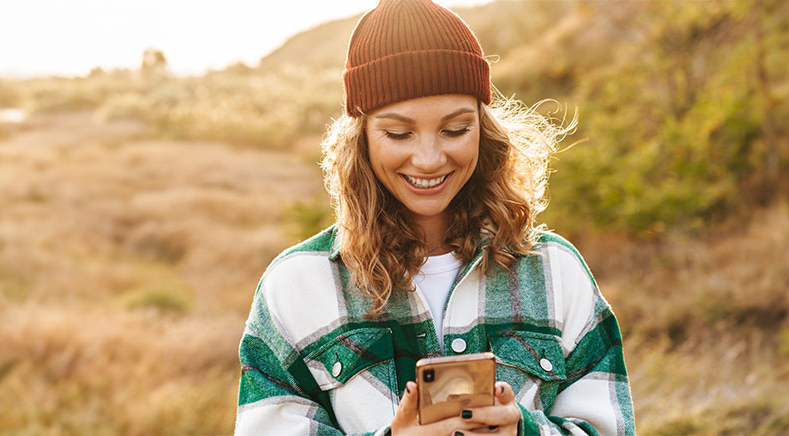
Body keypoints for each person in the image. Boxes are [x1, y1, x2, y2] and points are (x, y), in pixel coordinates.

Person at [234, 0, 635, 435]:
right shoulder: (295, 286)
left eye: (455, 129)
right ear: (362, 138)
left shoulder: (556, 270)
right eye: (399, 133)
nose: (428, 159)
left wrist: (525, 431)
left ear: (483, 129)